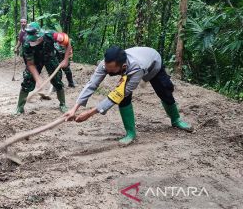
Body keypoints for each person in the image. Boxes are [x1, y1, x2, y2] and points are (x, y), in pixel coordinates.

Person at [64, 46, 192, 146]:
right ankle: (130, 132)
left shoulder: (136, 68)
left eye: (111, 70)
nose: (107, 71)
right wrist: (74, 108)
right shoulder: (106, 64)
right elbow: (92, 84)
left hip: (153, 64)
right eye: (106, 67)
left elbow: (119, 94)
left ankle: (176, 120)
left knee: (165, 92)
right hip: (131, 68)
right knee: (124, 99)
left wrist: (90, 113)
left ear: (123, 66)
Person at [15, 22, 72, 114]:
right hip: (35, 61)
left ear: (40, 35)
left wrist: (65, 60)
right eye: (32, 41)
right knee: (27, 80)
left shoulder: (50, 35)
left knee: (57, 80)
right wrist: (38, 79)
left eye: (35, 40)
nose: (33, 43)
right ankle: (19, 108)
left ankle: (62, 104)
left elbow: (67, 41)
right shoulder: (26, 43)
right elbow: (30, 64)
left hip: (50, 58)